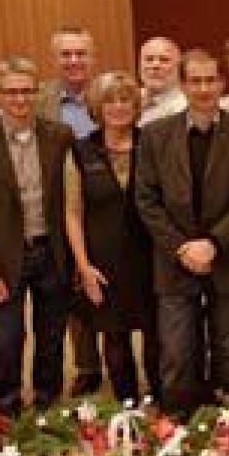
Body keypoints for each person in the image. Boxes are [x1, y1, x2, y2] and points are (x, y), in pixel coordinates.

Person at [135, 50, 229, 414]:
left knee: (228, 348)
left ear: (222, 83)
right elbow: (146, 201)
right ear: (183, 84)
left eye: (211, 80)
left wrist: (213, 243)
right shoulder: (155, 135)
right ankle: (178, 425)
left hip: (227, 257)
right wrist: (182, 248)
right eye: (196, 81)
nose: (204, 88)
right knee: (177, 352)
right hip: (174, 262)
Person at [0, 57, 74, 415]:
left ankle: (47, 400)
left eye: (26, 91)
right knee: (5, 340)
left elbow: (73, 201)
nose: (20, 99)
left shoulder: (59, 136)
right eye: (11, 92)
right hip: (3, 260)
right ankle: (6, 408)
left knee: (51, 337)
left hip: (50, 253)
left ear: (36, 93)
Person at [63, 73, 160, 405]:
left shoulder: (154, 143)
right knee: (115, 340)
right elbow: (73, 213)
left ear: (136, 106)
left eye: (125, 100)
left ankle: (159, 404)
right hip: (103, 263)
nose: (118, 107)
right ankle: (127, 408)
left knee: (156, 338)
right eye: (110, 100)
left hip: (151, 258)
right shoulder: (80, 150)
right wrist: (84, 267)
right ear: (96, 107)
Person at [33, 26, 102, 397]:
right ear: (55, 58)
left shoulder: (111, 92)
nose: (74, 61)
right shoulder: (38, 100)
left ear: (93, 56)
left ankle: (123, 359)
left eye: (81, 53)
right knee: (75, 287)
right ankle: (88, 365)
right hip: (61, 206)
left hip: (108, 203)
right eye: (66, 54)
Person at [138, 36, 186, 126]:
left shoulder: (184, 109)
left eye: (164, 60)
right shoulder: (129, 98)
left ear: (178, 67)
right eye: (149, 59)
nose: (155, 65)